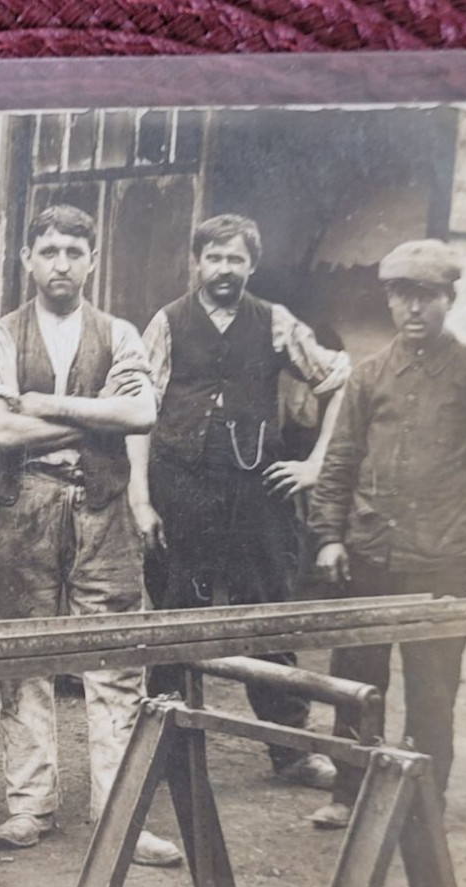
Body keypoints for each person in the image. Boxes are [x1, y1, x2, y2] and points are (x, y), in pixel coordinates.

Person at [0, 204, 182, 867]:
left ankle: (116, 813)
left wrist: (49, 405)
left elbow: (143, 412)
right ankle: (28, 805)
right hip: (23, 505)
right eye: (49, 249)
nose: (60, 261)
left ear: (92, 261)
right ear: (27, 259)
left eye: (73, 250)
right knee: (23, 655)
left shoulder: (119, 334)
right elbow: (1, 432)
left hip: (104, 511)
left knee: (116, 662)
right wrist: (99, 419)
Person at [307, 239, 466, 828]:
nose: (414, 308)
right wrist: (330, 536)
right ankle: (347, 792)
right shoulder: (370, 376)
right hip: (370, 554)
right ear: (389, 299)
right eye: (403, 295)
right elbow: (340, 461)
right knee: (356, 676)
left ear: (448, 299)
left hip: (441, 561)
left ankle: (426, 800)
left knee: (433, 689)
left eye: (427, 296)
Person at [133, 214, 351, 790]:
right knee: (178, 613)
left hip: (257, 495)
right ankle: (163, 752)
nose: (224, 269)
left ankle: (291, 748)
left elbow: (339, 380)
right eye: (214, 257)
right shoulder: (168, 322)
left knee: (267, 614)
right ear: (197, 262)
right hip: (181, 487)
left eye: (236, 259)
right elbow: (138, 412)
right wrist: (140, 500)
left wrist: (315, 465)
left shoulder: (275, 321)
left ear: (251, 265)